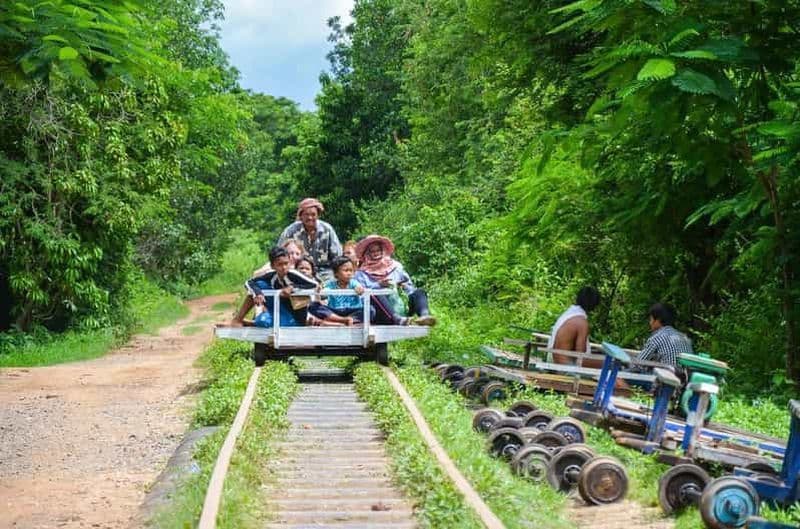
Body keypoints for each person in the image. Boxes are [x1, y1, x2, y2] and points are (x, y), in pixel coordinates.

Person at [354, 235, 436, 326]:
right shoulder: (360, 273)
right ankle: (397, 318)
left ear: (383, 251)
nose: (376, 253)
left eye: (378, 250)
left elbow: (410, 288)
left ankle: (425, 316)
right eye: (372, 251)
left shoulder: (396, 266)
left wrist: (403, 286)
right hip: (380, 313)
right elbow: (360, 295)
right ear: (367, 253)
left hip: (402, 305)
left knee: (419, 292)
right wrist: (379, 285)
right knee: (376, 293)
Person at [245, 247, 318, 328]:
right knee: (260, 284)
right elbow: (249, 282)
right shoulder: (272, 276)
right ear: (272, 266)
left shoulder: (293, 274)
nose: (284, 267)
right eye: (279, 264)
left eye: (286, 263)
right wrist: (257, 293)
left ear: (290, 263)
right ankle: (247, 320)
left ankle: (250, 323)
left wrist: (292, 287)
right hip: (278, 309)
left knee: (265, 323)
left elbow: (314, 284)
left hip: (295, 316)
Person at [277, 198, 342, 280]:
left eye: (313, 214)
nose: (310, 217)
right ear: (301, 216)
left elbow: (338, 256)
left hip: (325, 272)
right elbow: (279, 253)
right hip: (298, 271)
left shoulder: (327, 230)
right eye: (306, 214)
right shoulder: (291, 231)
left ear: (318, 215)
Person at [309, 256, 375, 326]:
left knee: (371, 309)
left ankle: (343, 321)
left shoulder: (353, 282)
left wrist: (359, 289)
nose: (349, 273)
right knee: (313, 306)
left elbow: (359, 287)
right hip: (335, 311)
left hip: (353, 310)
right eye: (346, 270)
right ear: (336, 273)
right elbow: (324, 293)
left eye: (351, 270)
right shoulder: (330, 284)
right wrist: (320, 291)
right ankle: (343, 320)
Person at [548, 286, 601, 364]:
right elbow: (580, 356)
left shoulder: (570, 313)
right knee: (608, 365)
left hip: (553, 360)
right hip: (565, 367)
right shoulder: (582, 322)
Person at [635, 303, 693, 368]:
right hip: (686, 377)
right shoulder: (685, 337)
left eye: (651, 319)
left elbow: (638, 363)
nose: (650, 323)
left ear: (657, 320)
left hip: (667, 376)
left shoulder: (657, 337)